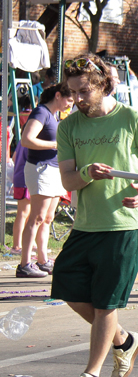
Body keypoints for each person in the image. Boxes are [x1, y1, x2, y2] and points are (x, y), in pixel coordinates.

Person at [51, 54, 138, 377]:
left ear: (102, 84)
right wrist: (87, 173)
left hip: (124, 225)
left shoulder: (130, 117)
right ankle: (124, 341)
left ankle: (91, 375)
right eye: (72, 93)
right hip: (86, 225)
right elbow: (68, 179)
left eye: (84, 91)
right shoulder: (68, 126)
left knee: (105, 302)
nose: (77, 100)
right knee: (67, 287)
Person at [16, 84, 74, 278]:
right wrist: (55, 144)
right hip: (41, 169)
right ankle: (25, 263)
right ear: (58, 95)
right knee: (37, 217)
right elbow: (26, 139)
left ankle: (42, 259)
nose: (70, 104)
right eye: (69, 100)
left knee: (48, 218)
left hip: (54, 169)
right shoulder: (41, 112)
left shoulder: (54, 115)